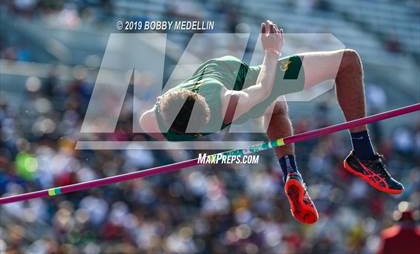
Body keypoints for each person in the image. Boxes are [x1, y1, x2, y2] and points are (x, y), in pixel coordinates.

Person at [139, 20, 404, 224]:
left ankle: (291, 171)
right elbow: (264, 89)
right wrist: (271, 52)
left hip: (214, 109)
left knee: (277, 108)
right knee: (347, 62)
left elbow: (161, 127)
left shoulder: (153, 119)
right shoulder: (224, 99)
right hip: (254, 82)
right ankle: (363, 153)